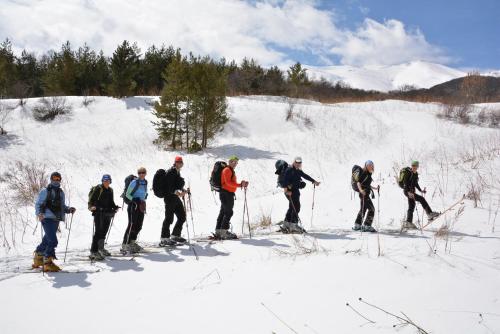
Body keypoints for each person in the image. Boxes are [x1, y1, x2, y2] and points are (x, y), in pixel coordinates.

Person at [32, 172, 76, 272]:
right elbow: (38, 203)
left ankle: (38, 257)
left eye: (58, 179)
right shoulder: (45, 191)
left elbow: (62, 206)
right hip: (46, 218)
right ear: (51, 179)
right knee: (53, 240)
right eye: (54, 178)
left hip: (56, 218)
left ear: (60, 180)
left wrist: (69, 209)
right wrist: (39, 214)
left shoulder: (61, 192)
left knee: (47, 239)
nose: (56, 181)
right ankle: (47, 262)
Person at [281, 157, 320, 233]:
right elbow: (284, 182)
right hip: (290, 192)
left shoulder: (298, 171)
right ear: (294, 162)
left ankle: (286, 224)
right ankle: (293, 225)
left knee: (292, 207)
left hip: (295, 191)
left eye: (300, 163)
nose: (298, 164)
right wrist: (286, 191)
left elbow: (305, 176)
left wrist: (314, 181)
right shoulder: (289, 170)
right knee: (296, 207)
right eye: (297, 162)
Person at [215, 156, 248, 239]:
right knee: (228, 212)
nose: (235, 164)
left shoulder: (230, 170)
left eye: (236, 162)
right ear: (230, 161)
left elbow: (230, 182)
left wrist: (241, 184)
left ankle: (219, 230)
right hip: (226, 194)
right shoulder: (227, 170)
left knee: (223, 212)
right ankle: (224, 231)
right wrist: (240, 185)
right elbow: (228, 183)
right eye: (234, 162)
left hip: (226, 193)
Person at [159, 156, 189, 247]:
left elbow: (176, 185)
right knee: (169, 218)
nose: (179, 163)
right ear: (175, 162)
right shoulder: (171, 172)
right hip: (169, 198)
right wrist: (178, 193)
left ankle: (175, 235)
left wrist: (183, 190)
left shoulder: (177, 172)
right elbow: (169, 187)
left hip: (175, 198)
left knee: (182, 216)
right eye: (178, 162)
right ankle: (164, 238)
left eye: (181, 162)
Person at [88, 174, 119, 260]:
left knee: (104, 231)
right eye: (105, 180)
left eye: (108, 180)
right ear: (102, 181)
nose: (106, 182)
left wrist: (115, 207)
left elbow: (111, 202)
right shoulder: (98, 189)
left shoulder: (110, 190)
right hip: (98, 213)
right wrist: (91, 207)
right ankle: (93, 251)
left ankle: (101, 249)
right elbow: (91, 200)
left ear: (110, 181)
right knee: (98, 232)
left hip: (107, 213)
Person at [402, 160, 439, 229]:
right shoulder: (408, 173)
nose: (414, 167)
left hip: (411, 192)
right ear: (411, 166)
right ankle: (429, 213)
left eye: (416, 166)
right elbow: (405, 183)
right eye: (413, 166)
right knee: (421, 199)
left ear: (417, 167)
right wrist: (408, 192)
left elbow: (416, 183)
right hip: (407, 191)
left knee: (412, 206)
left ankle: (408, 222)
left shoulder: (415, 174)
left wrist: (420, 190)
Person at [121, 167, 148, 254]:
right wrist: (134, 200)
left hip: (141, 205)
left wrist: (144, 198)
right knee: (131, 224)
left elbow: (144, 192)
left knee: (139, 225)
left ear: (145, 173)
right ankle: (125, 244)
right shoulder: (134, 182)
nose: (141, 174)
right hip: (133, 205)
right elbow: (127, 194)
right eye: (140, 173)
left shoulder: (145, 182)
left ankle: (132, 242)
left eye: (143, 172)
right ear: (138, 173)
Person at [352, 160, 379, 232]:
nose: (371, 166)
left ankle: (357, 224)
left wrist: (375, 188)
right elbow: (358, 182)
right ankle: (367, 225)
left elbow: (367, 185)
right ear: (366, 165)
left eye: (372, 165)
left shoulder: (367, 174)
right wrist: (361, 190)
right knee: (372, 209)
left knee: (363, 209)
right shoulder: (364, 173)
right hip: (363, 194)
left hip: (364, 193)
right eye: (369, 165)